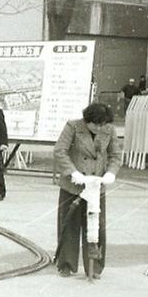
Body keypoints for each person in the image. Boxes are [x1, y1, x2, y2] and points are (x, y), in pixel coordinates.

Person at [53, 102, 120, 279]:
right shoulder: (73, 127)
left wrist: (111, 173)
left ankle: (95, 266)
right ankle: (66, 264)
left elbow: (115, 155)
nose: (100, 128)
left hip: (97, 185)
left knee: (97, 227)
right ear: (87, 120)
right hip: (73, 185)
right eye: (97, 124)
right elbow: (60, 151)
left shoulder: (109, 130)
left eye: (103, 124)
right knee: (69, 224)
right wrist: (72, 172)